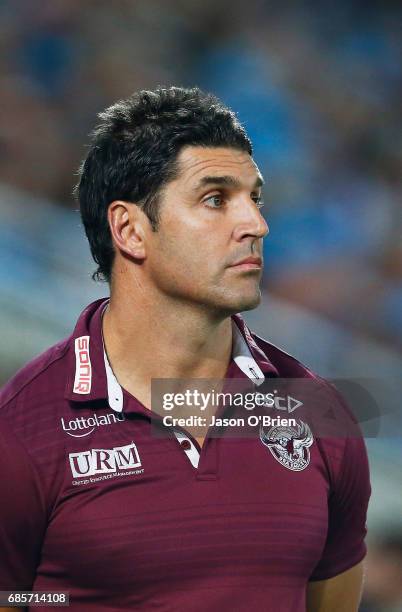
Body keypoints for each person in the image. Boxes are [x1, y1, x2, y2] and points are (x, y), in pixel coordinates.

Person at [0, 87, 370, 611]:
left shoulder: (319, 413)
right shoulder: (23, 428)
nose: (256, 225)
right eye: (216, 199)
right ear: (129, 230)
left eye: (255, 198)